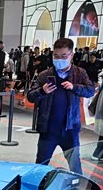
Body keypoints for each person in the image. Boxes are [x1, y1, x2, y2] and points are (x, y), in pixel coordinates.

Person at [26, 37, 94, 174]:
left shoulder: (79, 73)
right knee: (41, 163)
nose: (59, 59)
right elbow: (30, 96)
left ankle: (77, 183)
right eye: (56, 56)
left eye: (63, 56)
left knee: (74, 164)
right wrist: (42, 91)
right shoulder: (45, 75)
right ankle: (37, 184)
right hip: (48, 129)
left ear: (71, 55)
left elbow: (90, 91)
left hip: (70, 129)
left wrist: (74, 87)